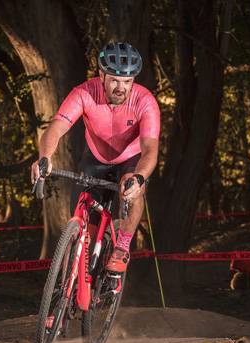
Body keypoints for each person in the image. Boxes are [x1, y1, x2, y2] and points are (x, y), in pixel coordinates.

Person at [31, 41, 160, 276]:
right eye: (114, 80)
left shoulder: (145, 101)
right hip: (95, 159)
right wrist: (45, 157)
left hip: (130, 160)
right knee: (79, 232)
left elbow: (150, 148)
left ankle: (121, 249)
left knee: (133, 188)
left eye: (127, 81)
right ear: (101, 75)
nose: (121, 88)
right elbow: (55, 129)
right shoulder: (84, 92)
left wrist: (139, 177)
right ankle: (61, 297)